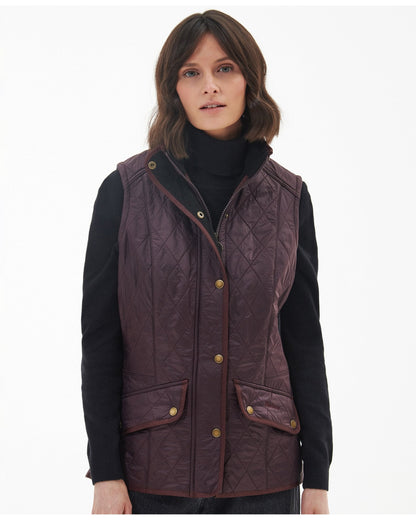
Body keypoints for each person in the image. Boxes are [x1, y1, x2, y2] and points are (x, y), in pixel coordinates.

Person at [81, 9, 332, 515]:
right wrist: (105, 472)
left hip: (264, 471)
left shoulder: (289, 198)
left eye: (225, 68)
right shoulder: (124, 191)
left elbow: (303, 340)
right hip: (154, 469)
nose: (209, 86)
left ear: (249, 81)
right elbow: (101, 339)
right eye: (191, 72)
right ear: (173, 88)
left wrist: (319, 478)